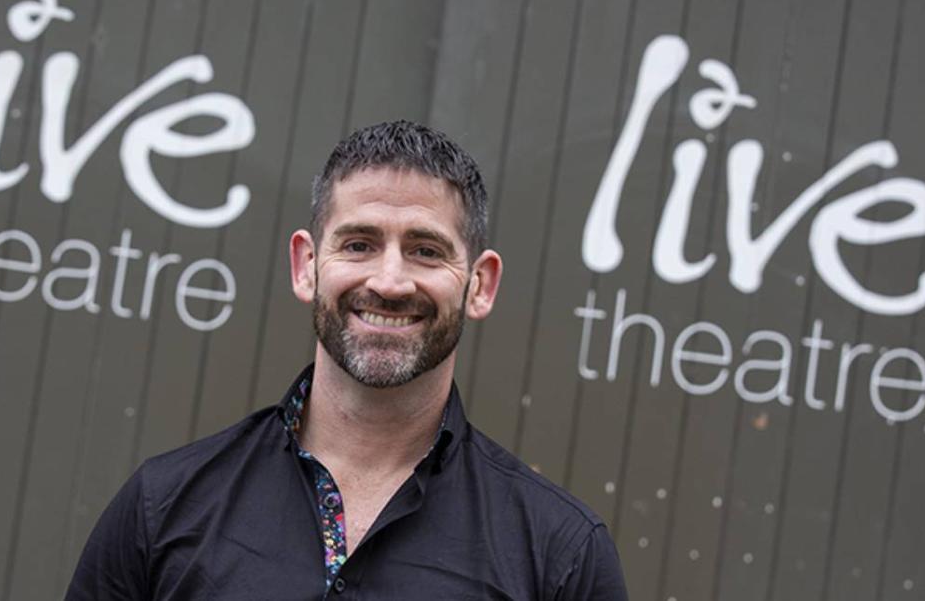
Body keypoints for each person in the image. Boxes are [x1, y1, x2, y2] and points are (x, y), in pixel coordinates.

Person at [66, 121, 627, 599]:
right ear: (306, 265)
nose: (388, 281)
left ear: (480, 285)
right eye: (358, 244)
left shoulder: (560, 556)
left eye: (425, 251)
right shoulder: (162, 506)